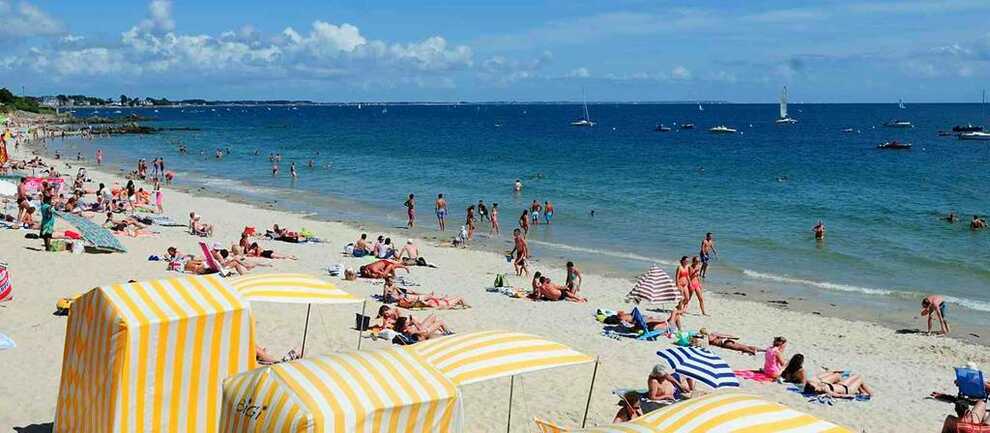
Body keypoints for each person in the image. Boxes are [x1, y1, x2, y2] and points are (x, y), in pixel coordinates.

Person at [804, 372, 874, 399]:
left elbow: (811, 380)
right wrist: (850, 396)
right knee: (860, 378)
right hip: (848, 390)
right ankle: (870, 394)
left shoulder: (821, 386)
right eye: (815, 384)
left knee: (856, 376)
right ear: (815, 388)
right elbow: (837, 395)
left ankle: (862, 393)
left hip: (842, 385)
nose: (816, 383)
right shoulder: (824, 389)